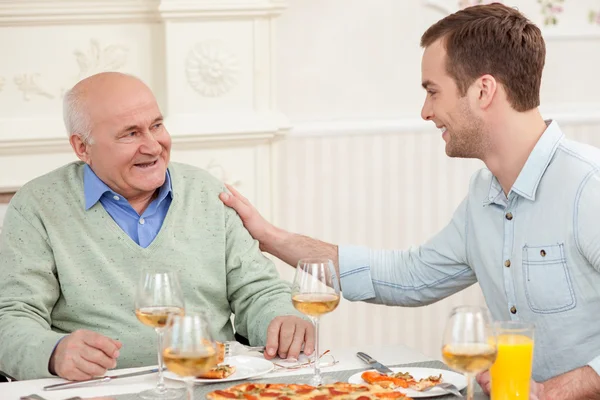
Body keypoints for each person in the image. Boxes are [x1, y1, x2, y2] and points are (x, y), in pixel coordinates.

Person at [219, 4, 600, 400]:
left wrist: (554, 391)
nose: (425, 112)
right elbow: (409, 276)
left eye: (433, 92)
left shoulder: (587, 186)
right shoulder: (483, 196)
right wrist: (270, 237)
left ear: (483, 91)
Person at [0, 72, 313, 381]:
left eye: (157, 126)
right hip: (100, 390)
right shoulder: (37, 205)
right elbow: (11, 316)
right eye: (130, 134)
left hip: (206, 383)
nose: (153, 146)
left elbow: (257, 289)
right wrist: (52, 352)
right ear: (82, 147)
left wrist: (281, 316)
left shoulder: (207, 192)